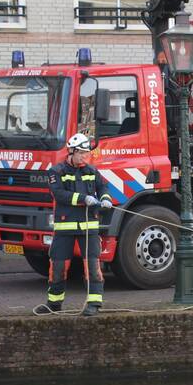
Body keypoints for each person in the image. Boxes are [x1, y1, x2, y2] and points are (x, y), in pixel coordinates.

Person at [37, 133, 114, 316]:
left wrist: (105, 199)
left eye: (86, 154)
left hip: (89, 227)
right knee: (58, 266)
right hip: (65, 227)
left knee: (93, 266)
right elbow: (59, 194)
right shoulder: (57, 172)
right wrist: (83, 198)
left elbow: (103, 187)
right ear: (71, 151)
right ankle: (54, 303)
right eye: (80, 153)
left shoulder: (91, 171)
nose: (84, 157)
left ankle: (94, 303)